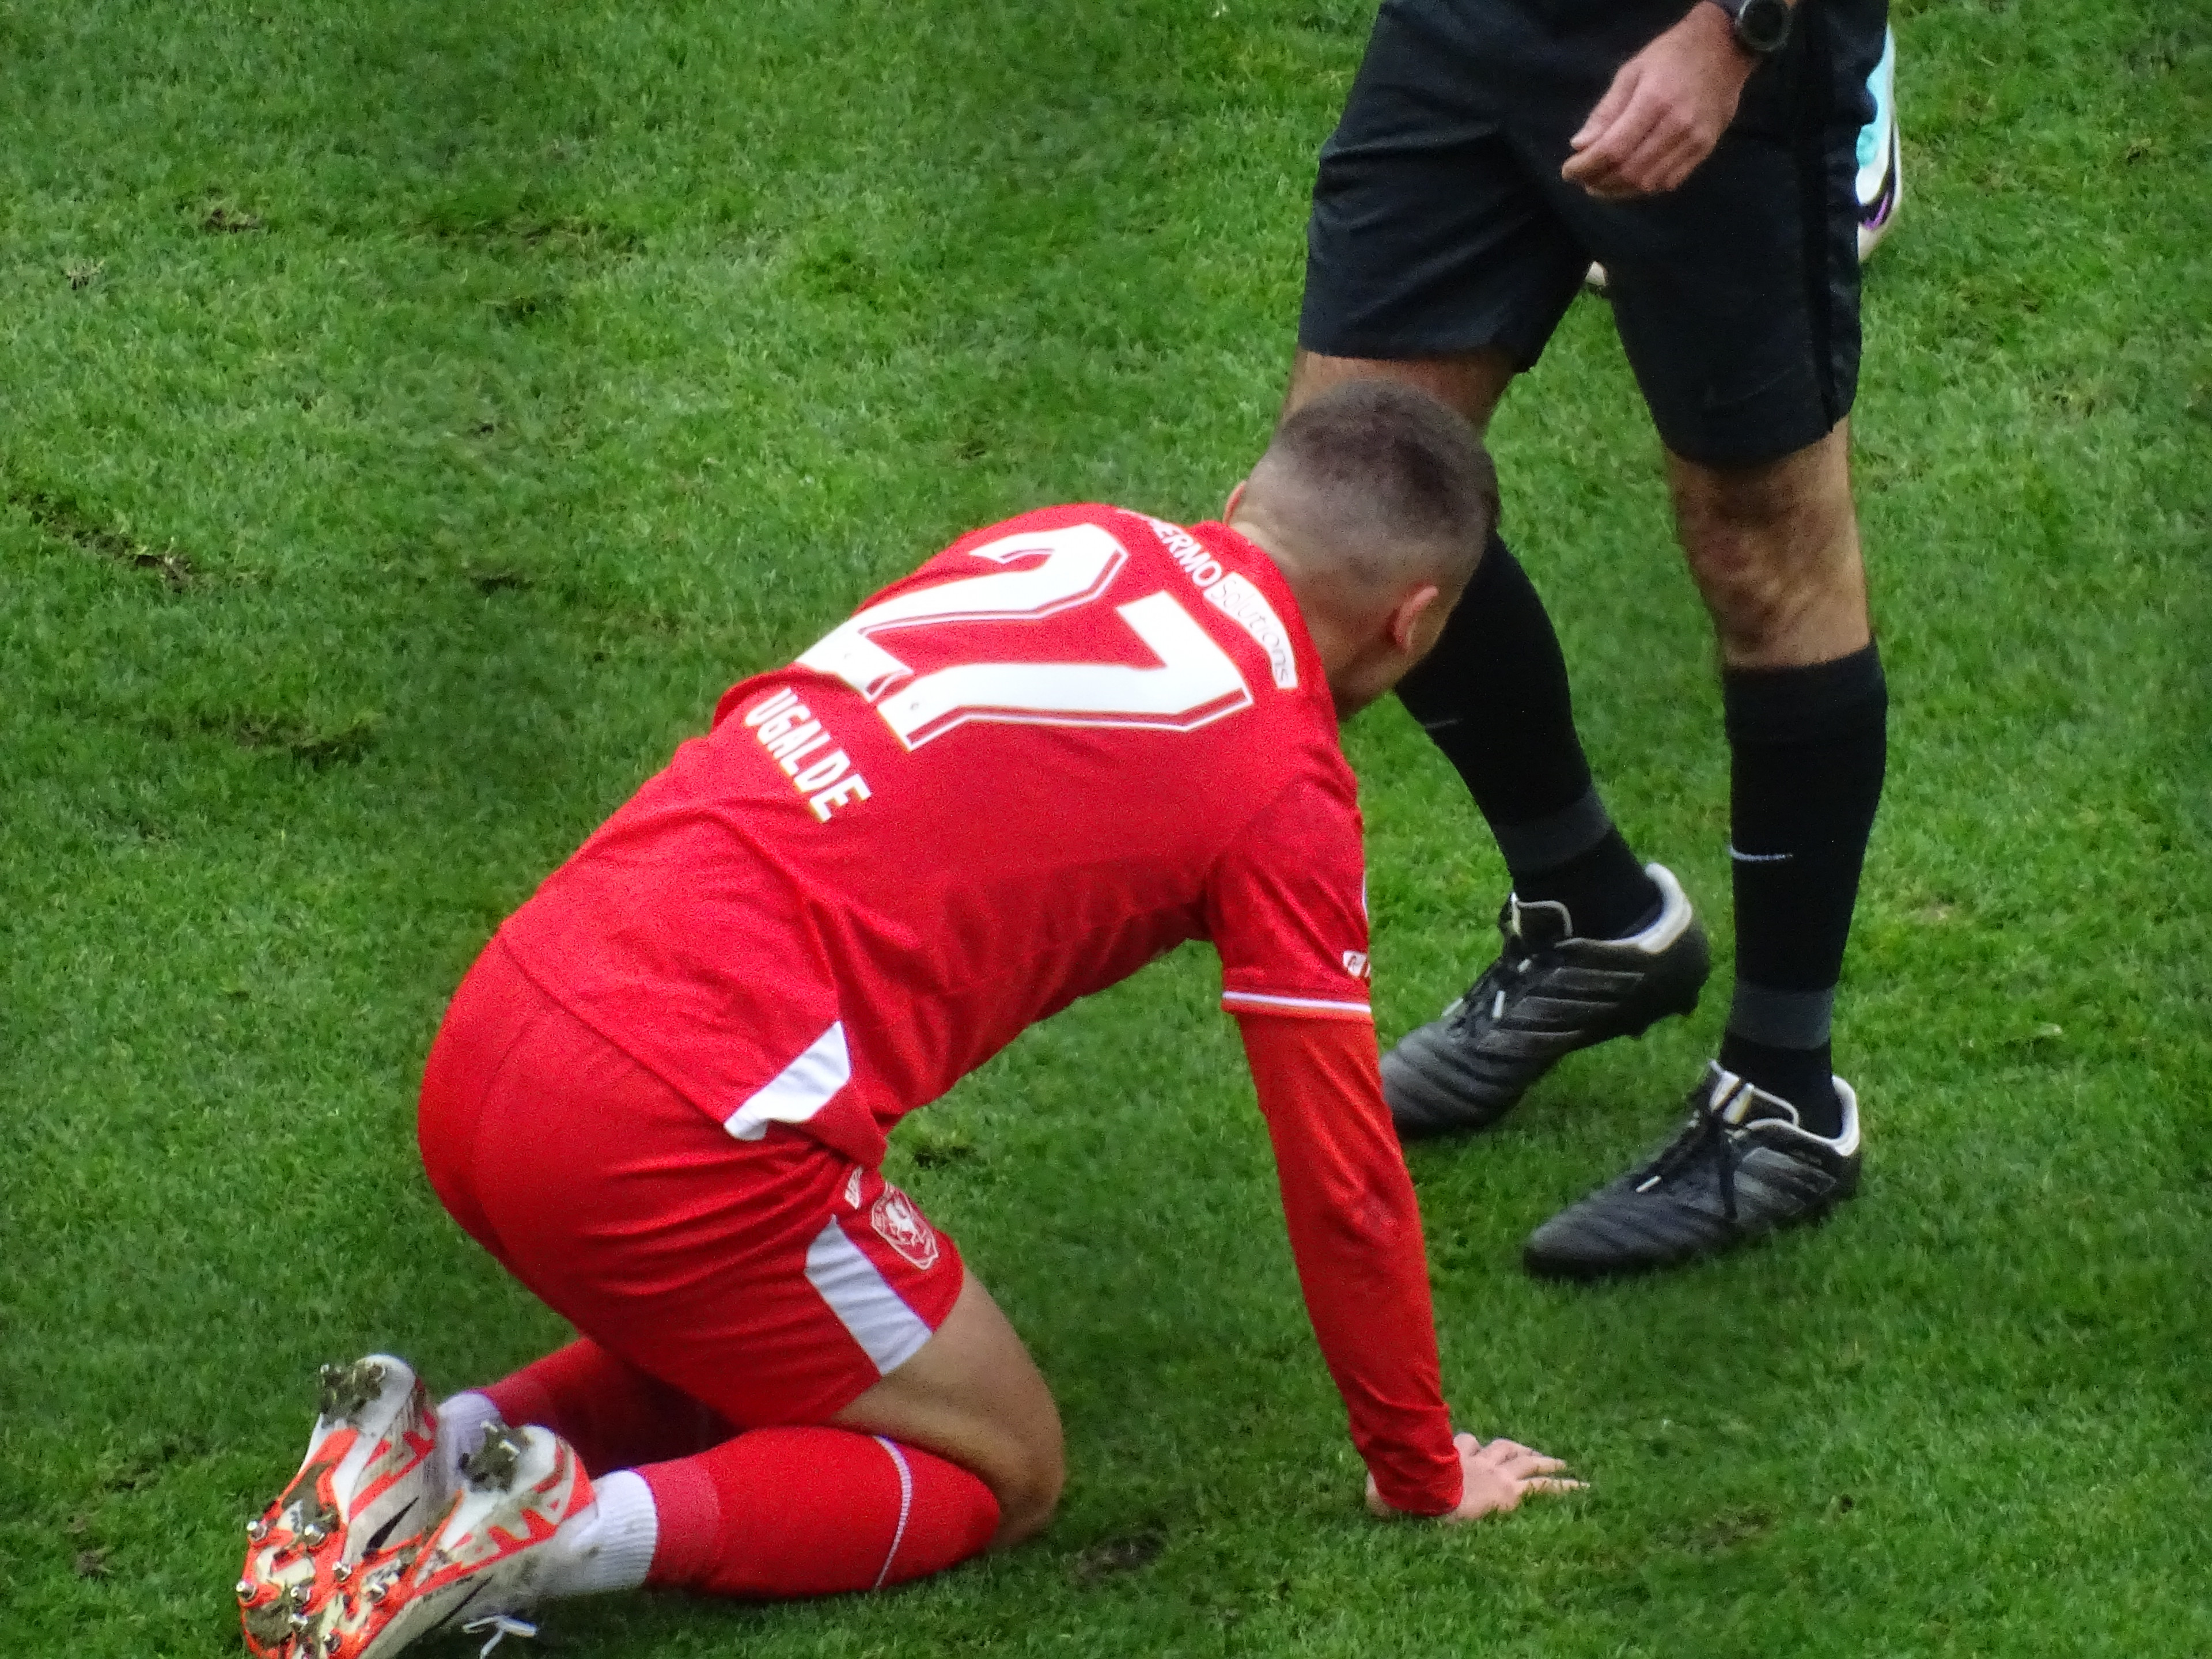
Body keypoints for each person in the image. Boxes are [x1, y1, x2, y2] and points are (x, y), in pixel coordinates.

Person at [234, 382, 1578, 1659]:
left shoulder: (1068, 536)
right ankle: (547, 1533)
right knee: (1001, 1464)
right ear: (1413, 623)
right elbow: (1344, 1182)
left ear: (1238, 498)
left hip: (501, 1020)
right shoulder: (1282, 787)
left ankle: (425, 1447)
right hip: (673, 1130)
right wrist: (1419, 1467)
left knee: (787, 1350)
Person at [1289, 0, 1891, 1278]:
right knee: (1357, 493)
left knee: (1760, 540)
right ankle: (1592, 918)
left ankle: (1786, 1095)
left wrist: (1739, 34)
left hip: (1708, 43)